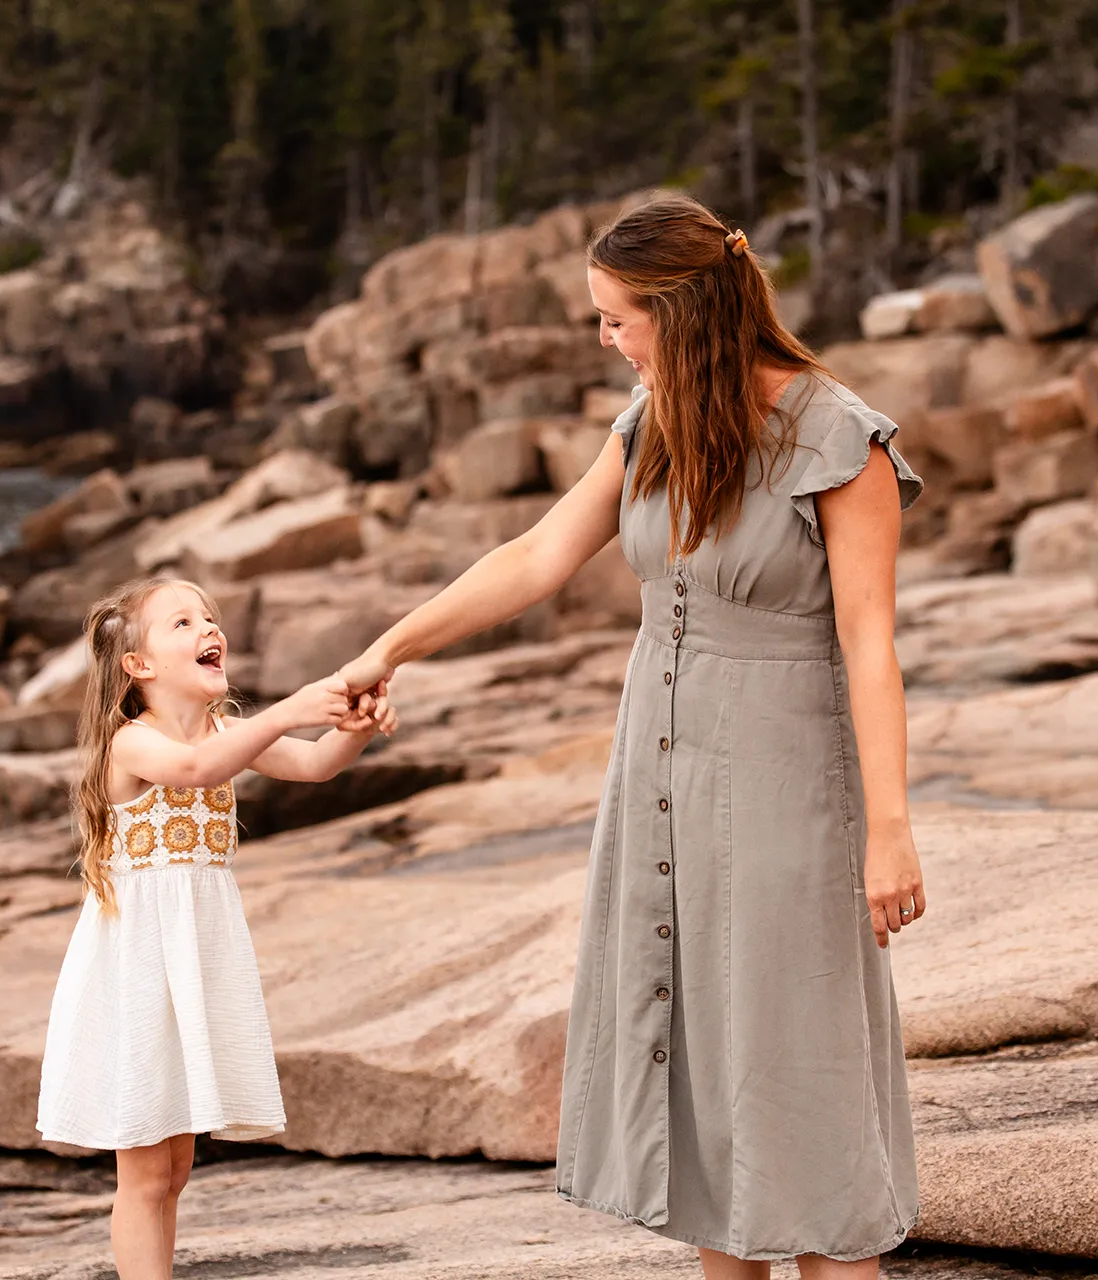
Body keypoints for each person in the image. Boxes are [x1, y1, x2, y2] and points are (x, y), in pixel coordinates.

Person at [336, 193, 925, 1279]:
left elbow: (873, 643)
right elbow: (533, 558)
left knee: (808, 1105)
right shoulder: (652, 428)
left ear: (682, 309)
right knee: (703, 1108)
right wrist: (392, 646)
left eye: (616, 317)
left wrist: (891, 831)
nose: (606, 338)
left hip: (786, 788)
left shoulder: (840, 436)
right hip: (659, 781)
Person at [37, 576, 396, 1280]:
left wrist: (350, 732)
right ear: (138, 665)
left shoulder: (228, 732)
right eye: (182, 622)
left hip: (193, 963)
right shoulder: (131, 745)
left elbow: (316, 765)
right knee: (142, 1170)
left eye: (209, 617)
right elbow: (197, 771)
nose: (208, 628)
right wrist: (290, 708)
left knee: (174, 1167)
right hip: (138, 970)